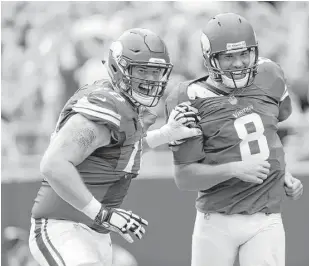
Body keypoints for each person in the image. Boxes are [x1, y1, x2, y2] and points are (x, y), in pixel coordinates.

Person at [28, 28, 202, 266]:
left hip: (95, 233)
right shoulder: (105, 106)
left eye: (156, 72)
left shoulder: (125, 108)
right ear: (118, 68)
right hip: (63, 227)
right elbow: (53, 164)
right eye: (142, 70)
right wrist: (101, 213)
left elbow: (122, 153)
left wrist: (165, 134)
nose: (150, 79)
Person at [165, 13, 303, 266]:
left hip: (265, 216)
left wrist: (283, 171)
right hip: (216, 219)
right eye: (228, 56)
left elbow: (269, 130)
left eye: (244, 54)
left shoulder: (270, 74)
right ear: (210, 58)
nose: (238, 63)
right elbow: (184, 177)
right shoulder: (188, 97)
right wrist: (235, 169)